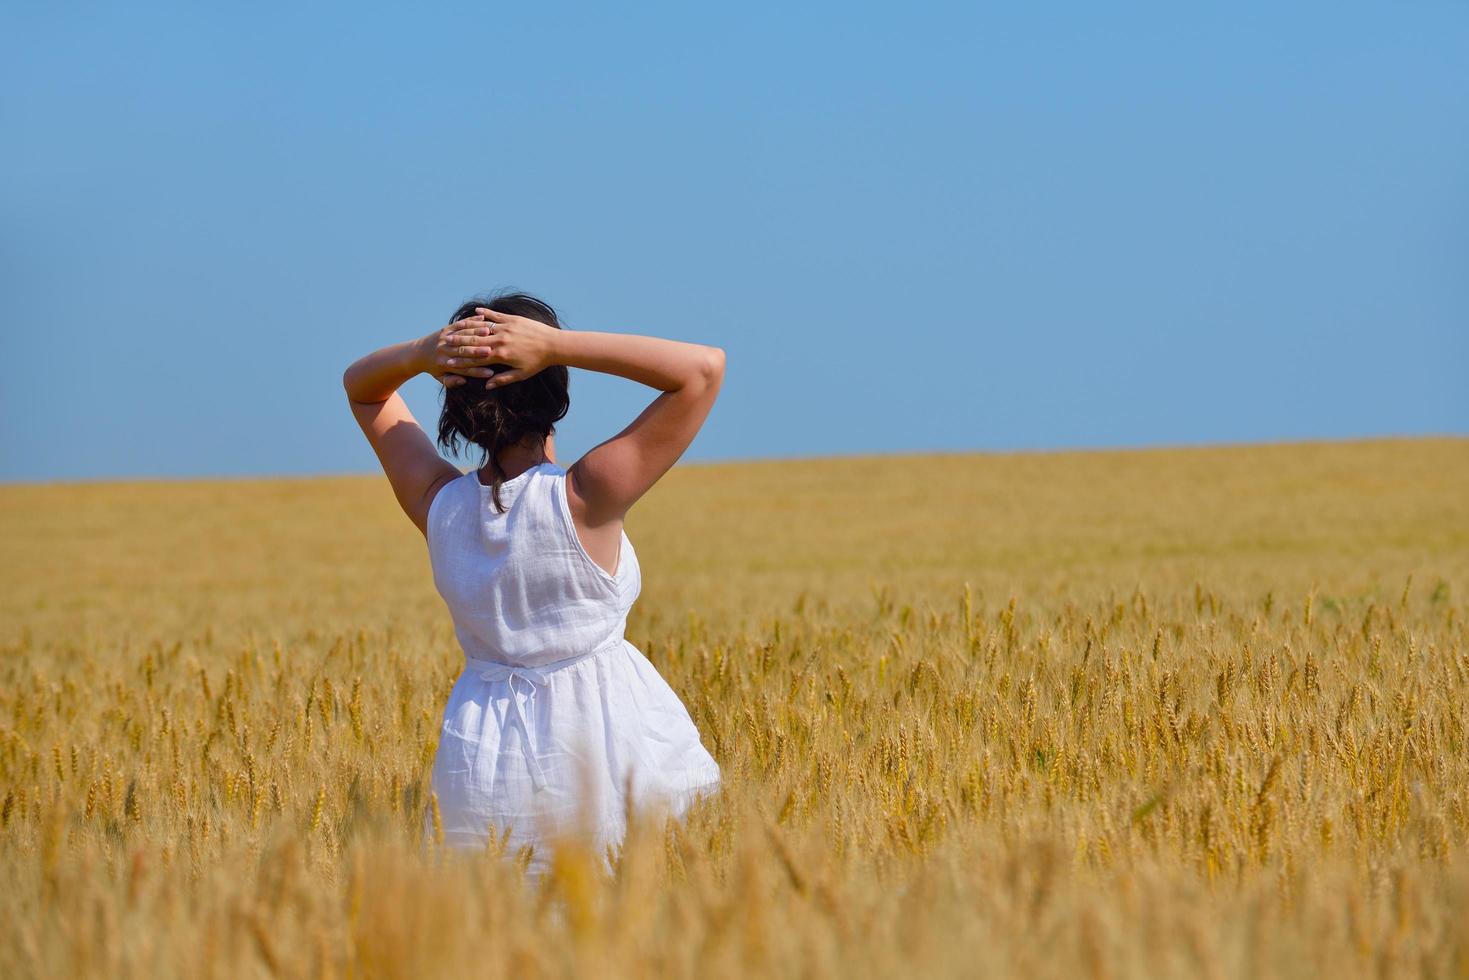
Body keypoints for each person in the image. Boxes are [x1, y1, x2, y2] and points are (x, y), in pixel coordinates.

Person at [342, 291, 725, 874]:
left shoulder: (438, 504)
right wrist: (557, 345)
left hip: (480, 755)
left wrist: (424, 352)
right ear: (555, 390)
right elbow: (702, 370)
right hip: (600, 745)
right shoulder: (585, 495)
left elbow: (362, 387)